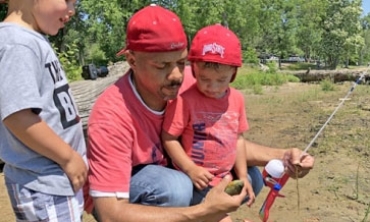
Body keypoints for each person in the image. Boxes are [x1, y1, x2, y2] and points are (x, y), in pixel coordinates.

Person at [84, 4, 315, 222]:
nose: (176, 75)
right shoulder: (111, 116)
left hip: (179, 175)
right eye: (161, 65)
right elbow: (109, 214)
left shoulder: (194, 85)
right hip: (125, 196)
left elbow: (221, 141)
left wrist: (284, 156)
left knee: (250, 178)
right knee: (174, 188)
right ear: (132, 61)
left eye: (181, 62)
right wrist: (202, 212)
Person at [0, 0, 88, 221]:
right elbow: (17, 115)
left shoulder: (29, 40)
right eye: (67, 0)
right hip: (44, 183)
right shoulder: (17, 43)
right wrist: (68, 158)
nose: (72, 10)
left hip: (53, 181)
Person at [162, 24, 255, 222]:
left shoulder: (237, 100)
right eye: (204, 79)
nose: (212, 87)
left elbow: (238, 139)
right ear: (194, 70)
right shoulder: (185, 100)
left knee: (253, 182)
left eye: (221, 80)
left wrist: (243, 175)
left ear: (233, 73)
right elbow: (169, 138)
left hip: (225, 177)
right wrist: (191, 169)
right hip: (196, 181)